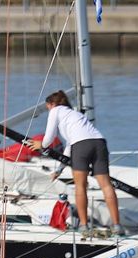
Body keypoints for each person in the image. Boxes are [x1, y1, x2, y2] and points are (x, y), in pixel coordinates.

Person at [23, 90, 121, 234]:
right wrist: (59, 170)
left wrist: (41, 145)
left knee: (80, 186)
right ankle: (117, 225)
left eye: (47, 107)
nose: (48, 110)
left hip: (81, 146)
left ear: (52, 104)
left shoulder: (55, 110)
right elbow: (69, 146)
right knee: (106, 185)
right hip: (99, 143)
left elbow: (50, 136)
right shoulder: (76, 114)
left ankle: (84, 225)